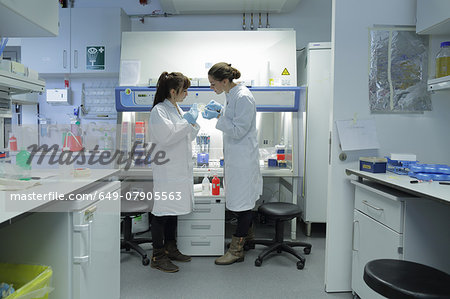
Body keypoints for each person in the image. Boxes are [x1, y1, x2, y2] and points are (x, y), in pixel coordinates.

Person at [202, 62, 263, 265]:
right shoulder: (232, 94)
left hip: (243, 161)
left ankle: (236, 250)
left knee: (243, 205)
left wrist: (219, 116)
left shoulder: (243, 96)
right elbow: (234, 119)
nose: (212, 88)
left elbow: (238, 130)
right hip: (237, 160)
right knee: (240, 202)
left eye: (213, 84)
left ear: (225, 81)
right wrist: (221, 110)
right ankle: (248, 239)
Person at [149, 71, 200, 273]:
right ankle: (158, 255)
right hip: (167, 172)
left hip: (178, 171)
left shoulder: (176, 108)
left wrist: (193, 121)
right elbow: (167, 137)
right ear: (173, 91)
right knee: (161, 213)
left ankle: (171, 248)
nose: (186, 93)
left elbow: (189, 135)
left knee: (173, 212)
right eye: (184, 90)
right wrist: (186, 121)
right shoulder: (159, 111)